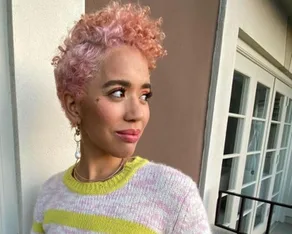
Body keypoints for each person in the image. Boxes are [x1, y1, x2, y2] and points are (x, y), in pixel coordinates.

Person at [31, 2, 211, 233]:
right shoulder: (49, 194)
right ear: (74, 106)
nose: (137, 113)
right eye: (118, 92)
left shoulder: (175, 196)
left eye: (145, 95)